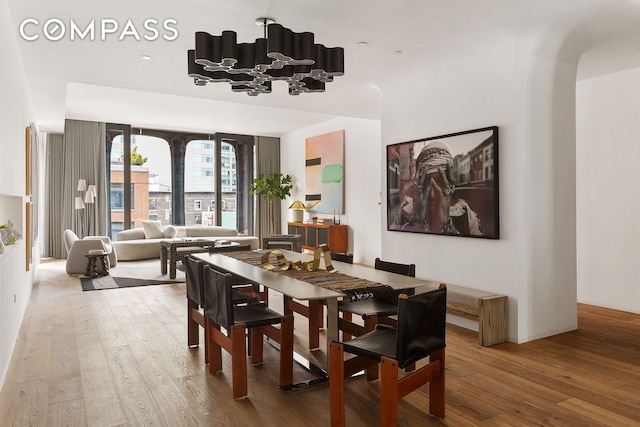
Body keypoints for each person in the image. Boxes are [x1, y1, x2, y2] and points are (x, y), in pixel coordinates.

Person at [402, 141, 482, 236]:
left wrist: (446, 226)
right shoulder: (405, 213)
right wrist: (416, 223)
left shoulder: (463, 215)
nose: (432, 194)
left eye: (440, 183)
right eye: (427, 184)